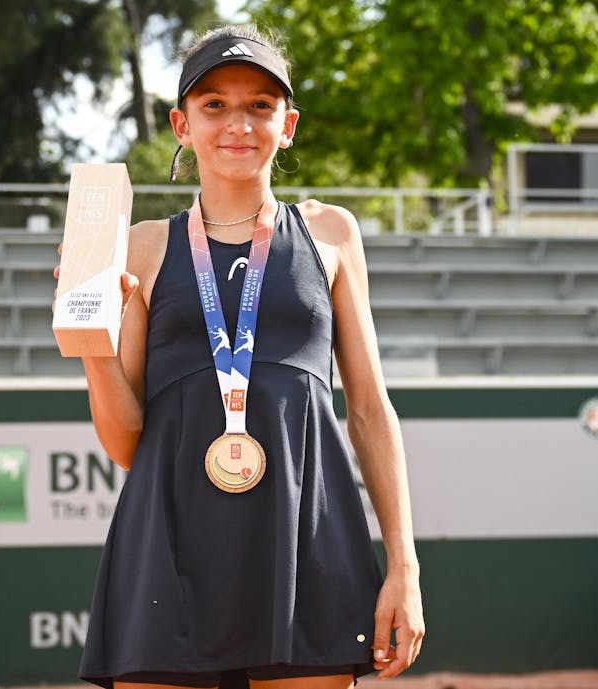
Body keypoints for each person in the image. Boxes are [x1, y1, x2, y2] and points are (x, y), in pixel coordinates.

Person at [54, 23, 424, 689]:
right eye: (214, 104)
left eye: (260, 104)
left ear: (288, 124)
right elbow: (125, 442)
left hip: (306, 539)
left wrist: (404, 564)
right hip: (167, 542)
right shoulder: (137, 246)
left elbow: (368, 408)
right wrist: (94, 350)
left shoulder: (331, 232)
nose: (238, 123)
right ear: (181, 123)